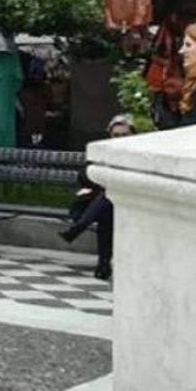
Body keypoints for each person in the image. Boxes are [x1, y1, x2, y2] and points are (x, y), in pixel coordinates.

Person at [60, 114, 133, 280]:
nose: (119, 139)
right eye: (116, 135)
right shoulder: (103, 152)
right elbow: (84, 176)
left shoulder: (136, 155)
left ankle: (79, 229)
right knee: (107, 210)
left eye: (124, 135)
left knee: (108, 203)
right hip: (98, 202)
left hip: (126, 202)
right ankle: (103, 263)